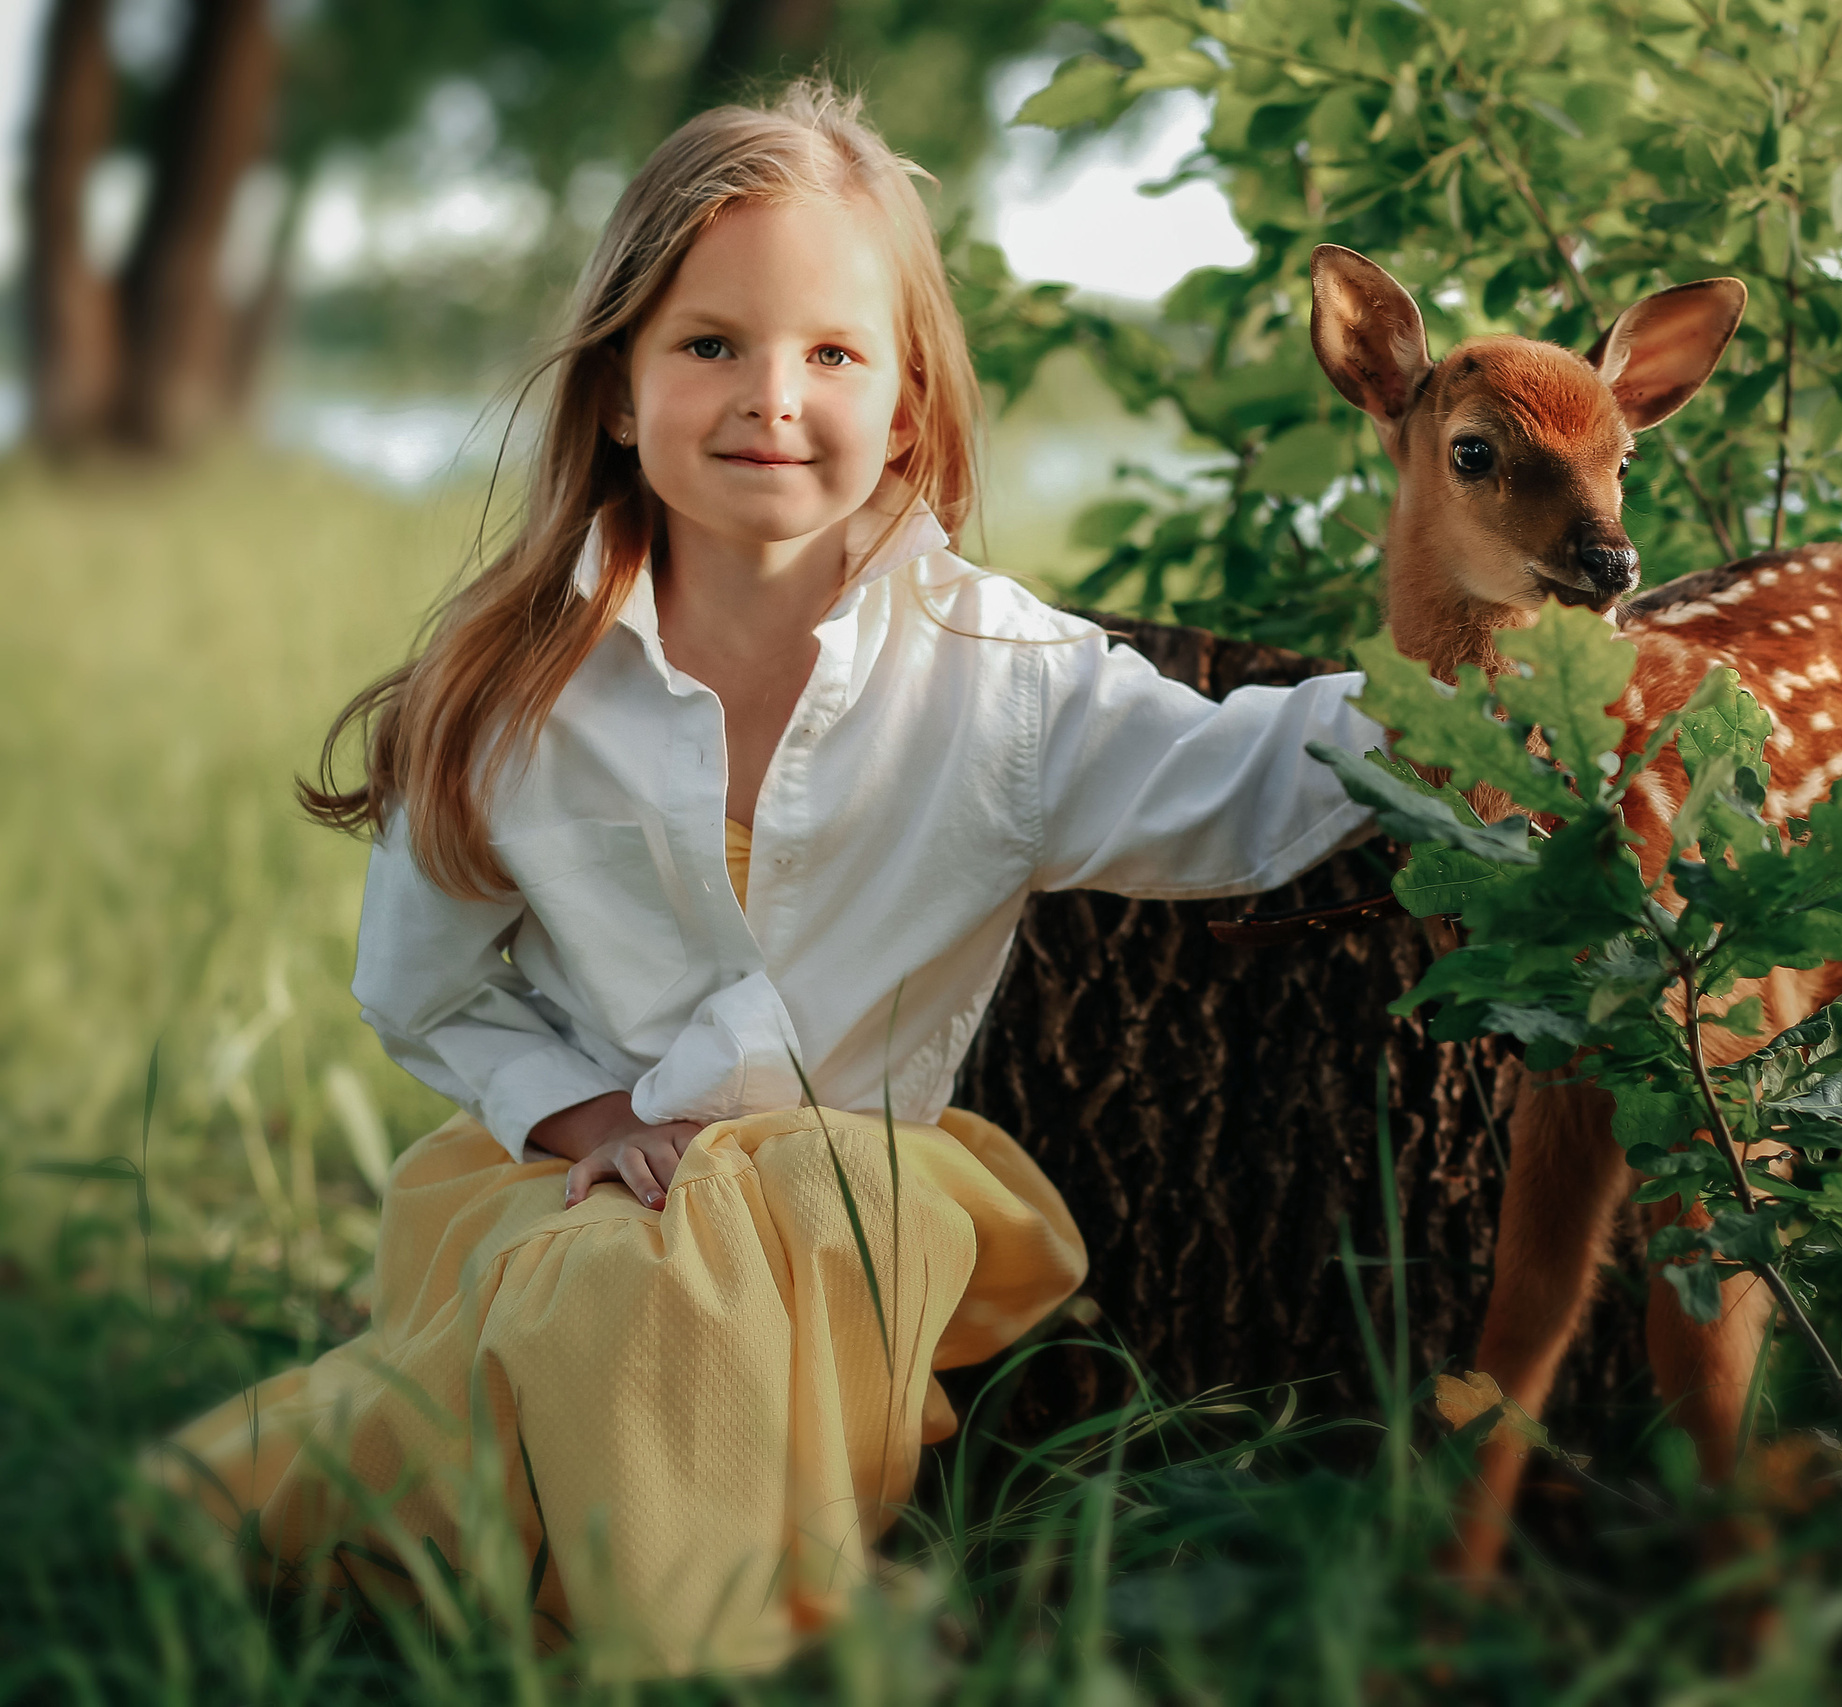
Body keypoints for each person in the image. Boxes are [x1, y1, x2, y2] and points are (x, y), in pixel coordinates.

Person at [153, 80, 1379, 1677]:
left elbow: (1252, 783)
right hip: (570, 1183)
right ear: (615, 389)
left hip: (846, 1212)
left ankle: (571, 1598)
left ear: (912, 406)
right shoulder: (515, 683)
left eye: (832, 353)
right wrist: (588, 1119)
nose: (770, 398)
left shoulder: (999, 681)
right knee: (612, 1269)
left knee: (741, 1218)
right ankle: (709, 1639)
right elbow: (422, 984)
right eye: (711, 344)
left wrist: (1485, 694)